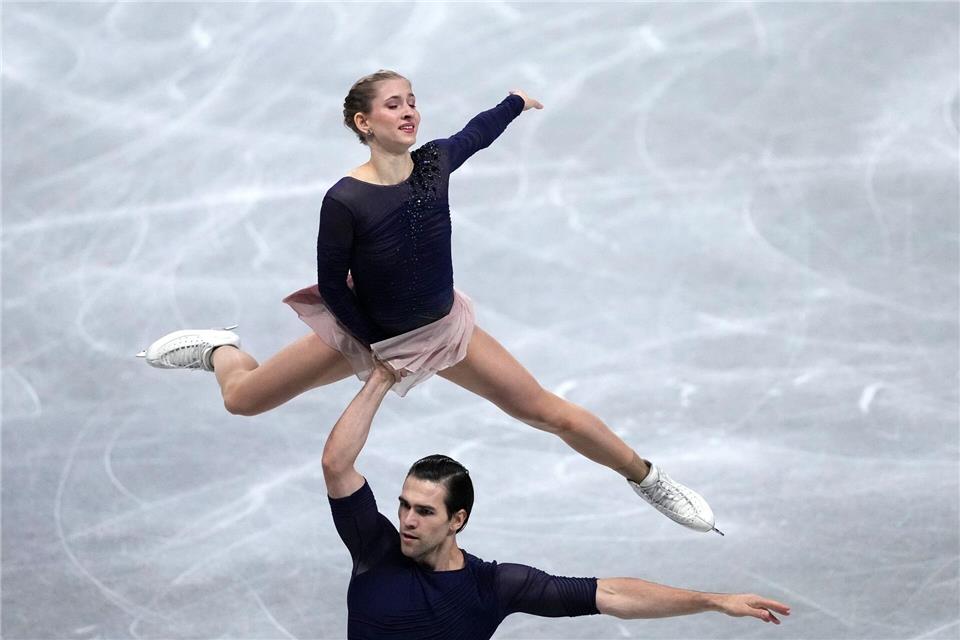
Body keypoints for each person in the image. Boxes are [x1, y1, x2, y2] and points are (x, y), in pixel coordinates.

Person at [138, 70, 719, 534]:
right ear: (363, 122)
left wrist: (513, 103)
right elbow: (333, 284)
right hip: (365, 330)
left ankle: (647, 478)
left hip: (442, 329)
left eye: (412, 100)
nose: (409, 110)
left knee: (545, 410)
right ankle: (219, 350)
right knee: (243, 400)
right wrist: (374, 349)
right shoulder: (344, 199)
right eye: (393, 104)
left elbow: (475, 134)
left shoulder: (434, 164)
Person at [320, 364, 790, 639]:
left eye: (424, 511)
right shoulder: (374, 548)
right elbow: (337, 465)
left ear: (457, 520)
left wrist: (713, 601)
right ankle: (237, 353)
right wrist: (381, 375)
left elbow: (610, 595)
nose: (406, 520)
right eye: (404, 505)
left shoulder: (493, 585)